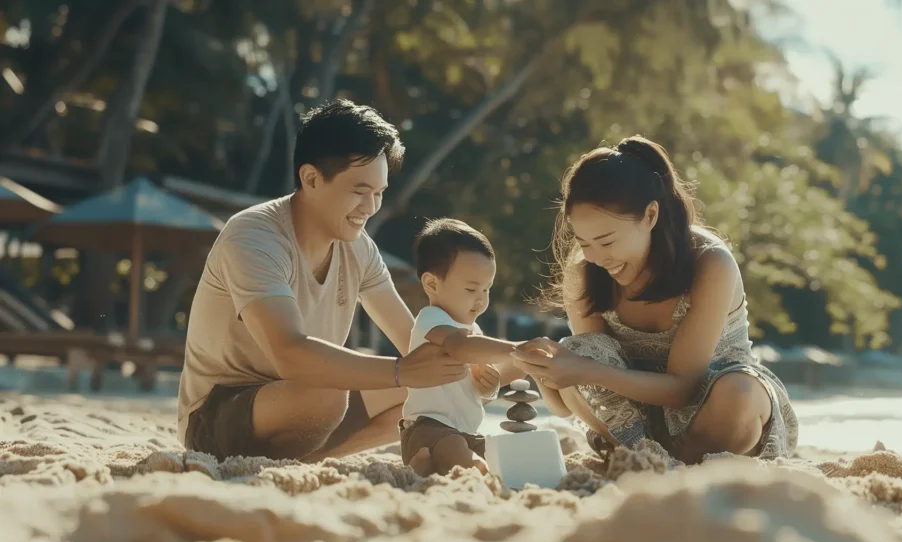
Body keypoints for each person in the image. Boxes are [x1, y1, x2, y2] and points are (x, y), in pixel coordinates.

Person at [177, 99, 471, 462]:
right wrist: (400, 370)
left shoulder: (358, 248)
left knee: (420, 391)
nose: (370, 207)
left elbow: (413, 340)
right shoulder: (254, 237)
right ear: (311, 178)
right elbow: (290, 354)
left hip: (312, 402)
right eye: (360, 191)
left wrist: (472, 368)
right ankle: (283, 460)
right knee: (333, 391)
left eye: (379, 194)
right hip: (220, 412)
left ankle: (301, 462)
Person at [510, 135, 799, 464]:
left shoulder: (709, 262)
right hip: (631, 422)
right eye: (584, 242)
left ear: (650, 215)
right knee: (581, 350)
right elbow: (576, 393)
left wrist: (584, 371)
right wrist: (548, 371)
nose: (595, 257)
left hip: (714, 409)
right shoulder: (584, 272)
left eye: (606, 241)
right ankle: (643, 456)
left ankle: (679, 463)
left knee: (740, 393)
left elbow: (682, 388)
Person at [400, 219, 526, 477]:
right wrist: (515, 348)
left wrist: (489, 387)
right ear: (432, 284)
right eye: (471, 289)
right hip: (427, 428)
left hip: (467, 431)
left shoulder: (474, 330)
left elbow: (471, 390)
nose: (481, 299)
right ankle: (440, 463)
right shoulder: (432, 319)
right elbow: (460, 348)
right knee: (453, 447)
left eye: (487, 289)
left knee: (492, 451)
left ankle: (426, 465)